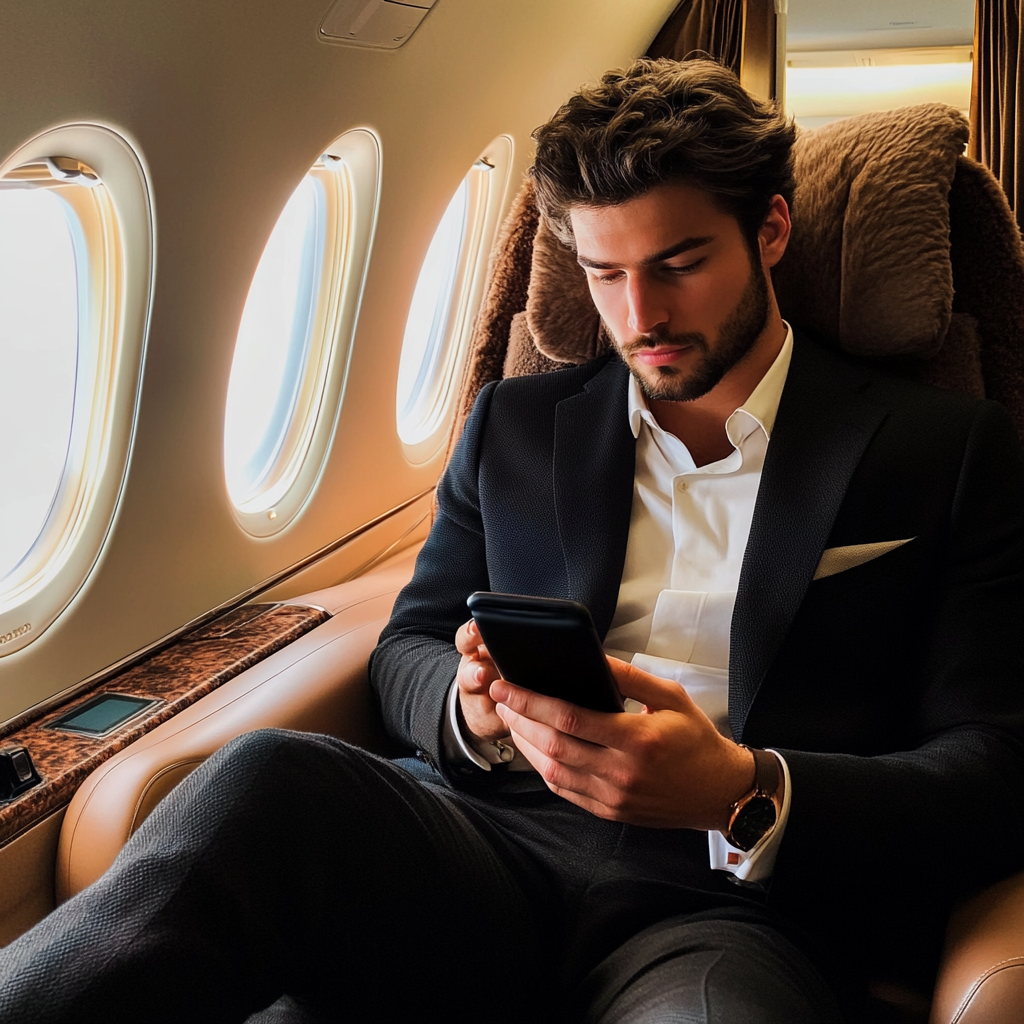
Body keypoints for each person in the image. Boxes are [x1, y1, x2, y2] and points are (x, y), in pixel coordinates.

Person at [1, 58, 1022, 1024]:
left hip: (731, 902)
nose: (639, 314)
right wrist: (469, 709)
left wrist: (739, 784)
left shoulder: (948, 447)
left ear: (770, 229)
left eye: (678, 264)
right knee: (264, 777)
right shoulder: (517, 422)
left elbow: (995, 762)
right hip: (486, 839)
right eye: (604, 272)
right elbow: (409, 643)